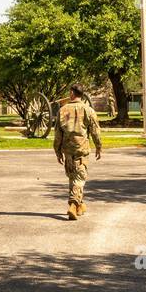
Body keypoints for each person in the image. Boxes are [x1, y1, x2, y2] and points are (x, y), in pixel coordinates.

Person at [53, 84, 102, 219]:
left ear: (72, 93)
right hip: (82, 150)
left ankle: (80, 205)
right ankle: (73, 205)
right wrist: (98, 146)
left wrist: (57, 151)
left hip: (68, 151)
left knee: (73, 178)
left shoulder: (62, 110)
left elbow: (57, 134)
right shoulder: (88, 110)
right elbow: (95, 131)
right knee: (79, 178)